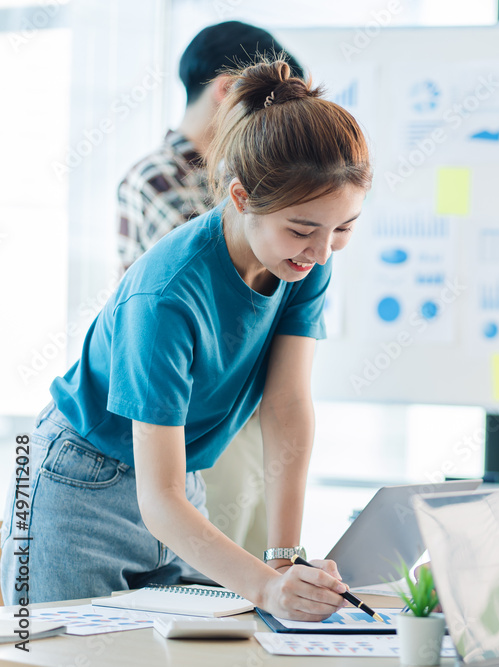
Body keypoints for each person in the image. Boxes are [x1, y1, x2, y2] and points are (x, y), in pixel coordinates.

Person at [0, 59, 371, 620]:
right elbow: (159, 498)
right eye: (302, 229)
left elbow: (287, 404)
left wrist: (284, 559)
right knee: (73, 654)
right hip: (79, 486)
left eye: (343, 228)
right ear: (242, 198)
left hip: (179, 486)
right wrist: (267, 590)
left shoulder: (303, 262)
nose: (321, 252)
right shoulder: (166, 295)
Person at [117, 21, 305, 559]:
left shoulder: (251, 186)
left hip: (243, 409)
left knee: (264, 565)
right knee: (218, 573)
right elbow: (214, 288)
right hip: (192, 412)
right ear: (226, 90)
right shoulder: (158, 177)